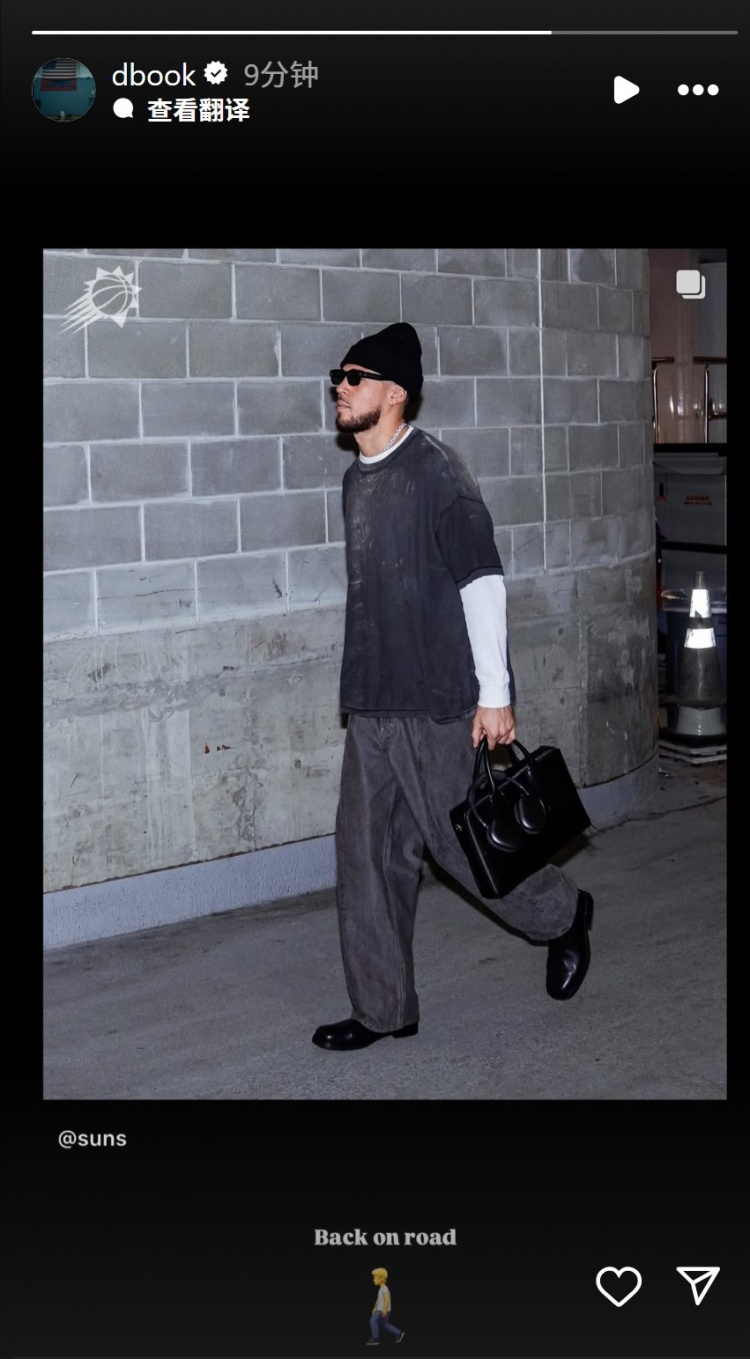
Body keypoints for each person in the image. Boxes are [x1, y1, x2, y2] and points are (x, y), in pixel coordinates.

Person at [311, 322, 593, 1052]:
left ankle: (564, 914)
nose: (340, 387)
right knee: (366, 855)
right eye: (338, 377)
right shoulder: (355, 481)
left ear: (394, 393)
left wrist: (495, 694)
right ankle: (383, 1009)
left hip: (439, 702)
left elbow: (482, 582)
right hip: (371, 700)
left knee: (460, 845)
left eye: (354, 377)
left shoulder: (437, 474)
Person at [367, 1267, 404, 1346]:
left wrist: (384, 1309)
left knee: (373, 1320)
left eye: (375, 1278)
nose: (373, 1280)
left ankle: (375, 1339)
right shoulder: (381, 1289)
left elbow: (387, 1299)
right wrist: (375, 1307)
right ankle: (399, 1333)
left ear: (381, 1278)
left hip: (382, 1310)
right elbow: (378, 1299)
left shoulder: (384, 1288)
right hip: (380, 1309)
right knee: (384, 1324)